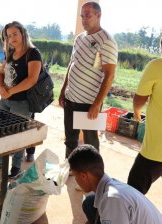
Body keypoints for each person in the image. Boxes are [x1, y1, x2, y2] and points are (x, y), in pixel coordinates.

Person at [127, 26, 162, 224]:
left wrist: (138, 115)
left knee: (132, 189)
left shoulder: (159, 65)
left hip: (159, 147)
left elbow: (139, 100)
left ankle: (128, 220)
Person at [59, 1, 118, 158]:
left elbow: (109, 75)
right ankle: (70, 167)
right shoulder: (79, 38)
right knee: (70, 138)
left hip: (89, 103)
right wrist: (63, 90)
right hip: (71, 98)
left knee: (90, 143)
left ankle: (93, 174)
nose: (84, 19)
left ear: (98, 15)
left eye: (88, 15)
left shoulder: (106, 41)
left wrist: (96, 104)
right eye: (82, 16)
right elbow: (72, 64)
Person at [68, 144, 162, 224]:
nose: (76, 181)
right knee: (90, 203)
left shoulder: (112, 200)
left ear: (84, 176)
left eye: (76, 177)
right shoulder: (111, 186)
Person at [0, 21, 42, 178]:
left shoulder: (33, 53)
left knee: (17, 134)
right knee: (1, 130)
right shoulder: (10, 53)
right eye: (9, 36)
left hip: (22, 102)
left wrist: (10, 91)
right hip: (6, 99)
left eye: (15, 34)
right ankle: (0, 160)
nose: (12, 38)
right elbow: (1, 73)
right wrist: (1, 87)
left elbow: (32, 79)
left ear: (23, 33)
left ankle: (16, 167)